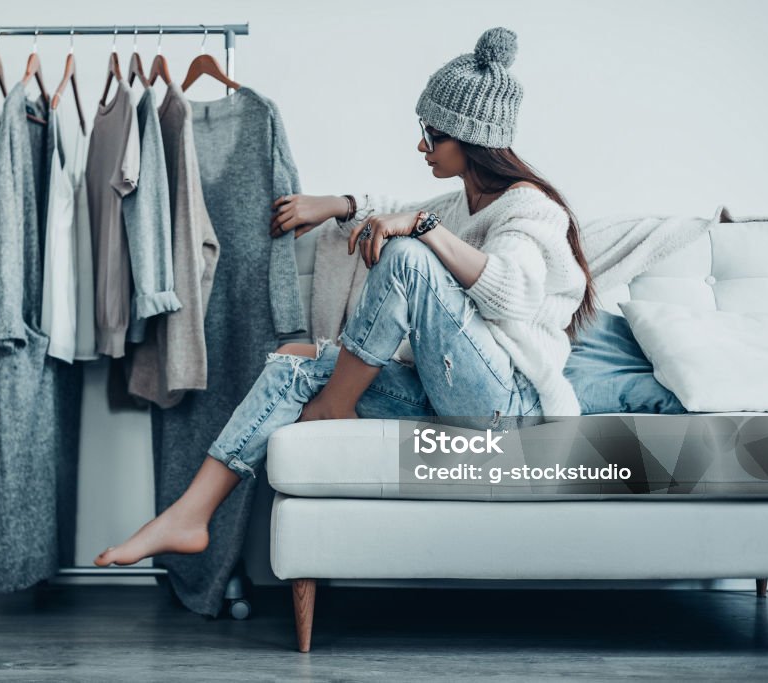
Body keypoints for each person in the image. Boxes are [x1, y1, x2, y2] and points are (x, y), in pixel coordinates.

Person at [94, 26, 597, 568]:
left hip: (507, 406)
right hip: (450, 392)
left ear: (467, 138)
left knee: (408, 257)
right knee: (293, 364)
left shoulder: (529, 208)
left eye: (432, 135)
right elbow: (390, 207)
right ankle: (190, 515)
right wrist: (337, 203)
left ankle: (335, 406)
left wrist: (420, 228)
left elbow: (514, 292)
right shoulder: (461, 206)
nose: (421, 146)